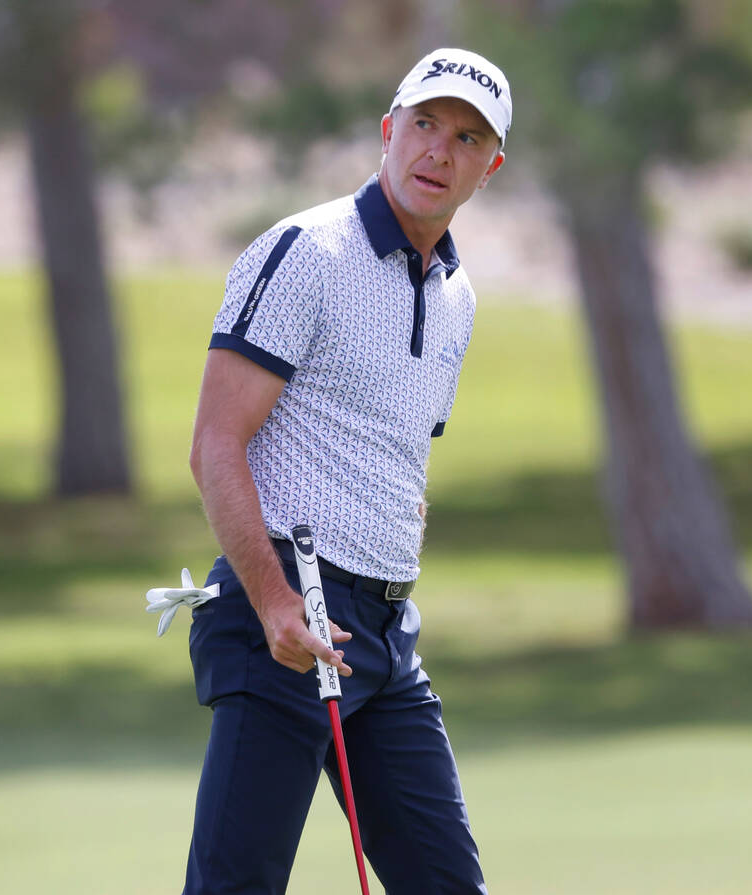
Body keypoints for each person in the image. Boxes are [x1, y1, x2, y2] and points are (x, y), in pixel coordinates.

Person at [184, 48, 512, 894]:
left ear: (491, 166)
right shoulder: (306, 251)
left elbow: (396, 452)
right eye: (425, 125)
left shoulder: (457, 298)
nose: (439, 151)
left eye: (467, 138)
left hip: (387, 638)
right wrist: (270, 601)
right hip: (286, 619)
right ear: (388, 130)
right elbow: (215, 443)